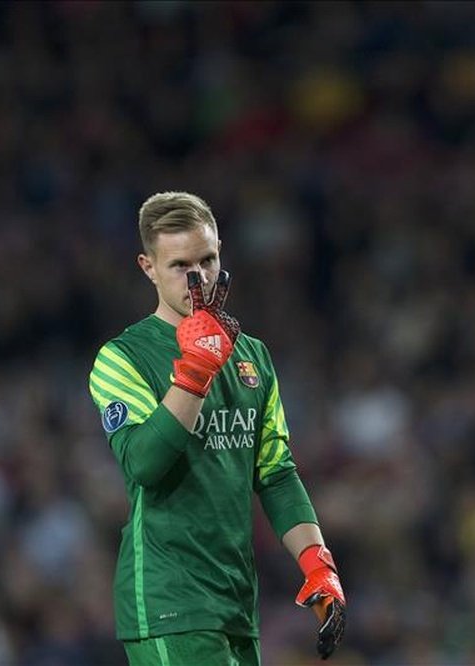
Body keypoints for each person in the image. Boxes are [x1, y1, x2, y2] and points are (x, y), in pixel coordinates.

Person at [87, 191, 346, 665]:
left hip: (235, 600)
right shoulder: (121, 358)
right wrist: (195, 372)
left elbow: (276, 473)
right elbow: (145, 463)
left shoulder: (253, 356)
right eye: (179, 265)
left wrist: (316, 563)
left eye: (207, 259)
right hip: (169, 599)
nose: (198, 277)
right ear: (147, 267)